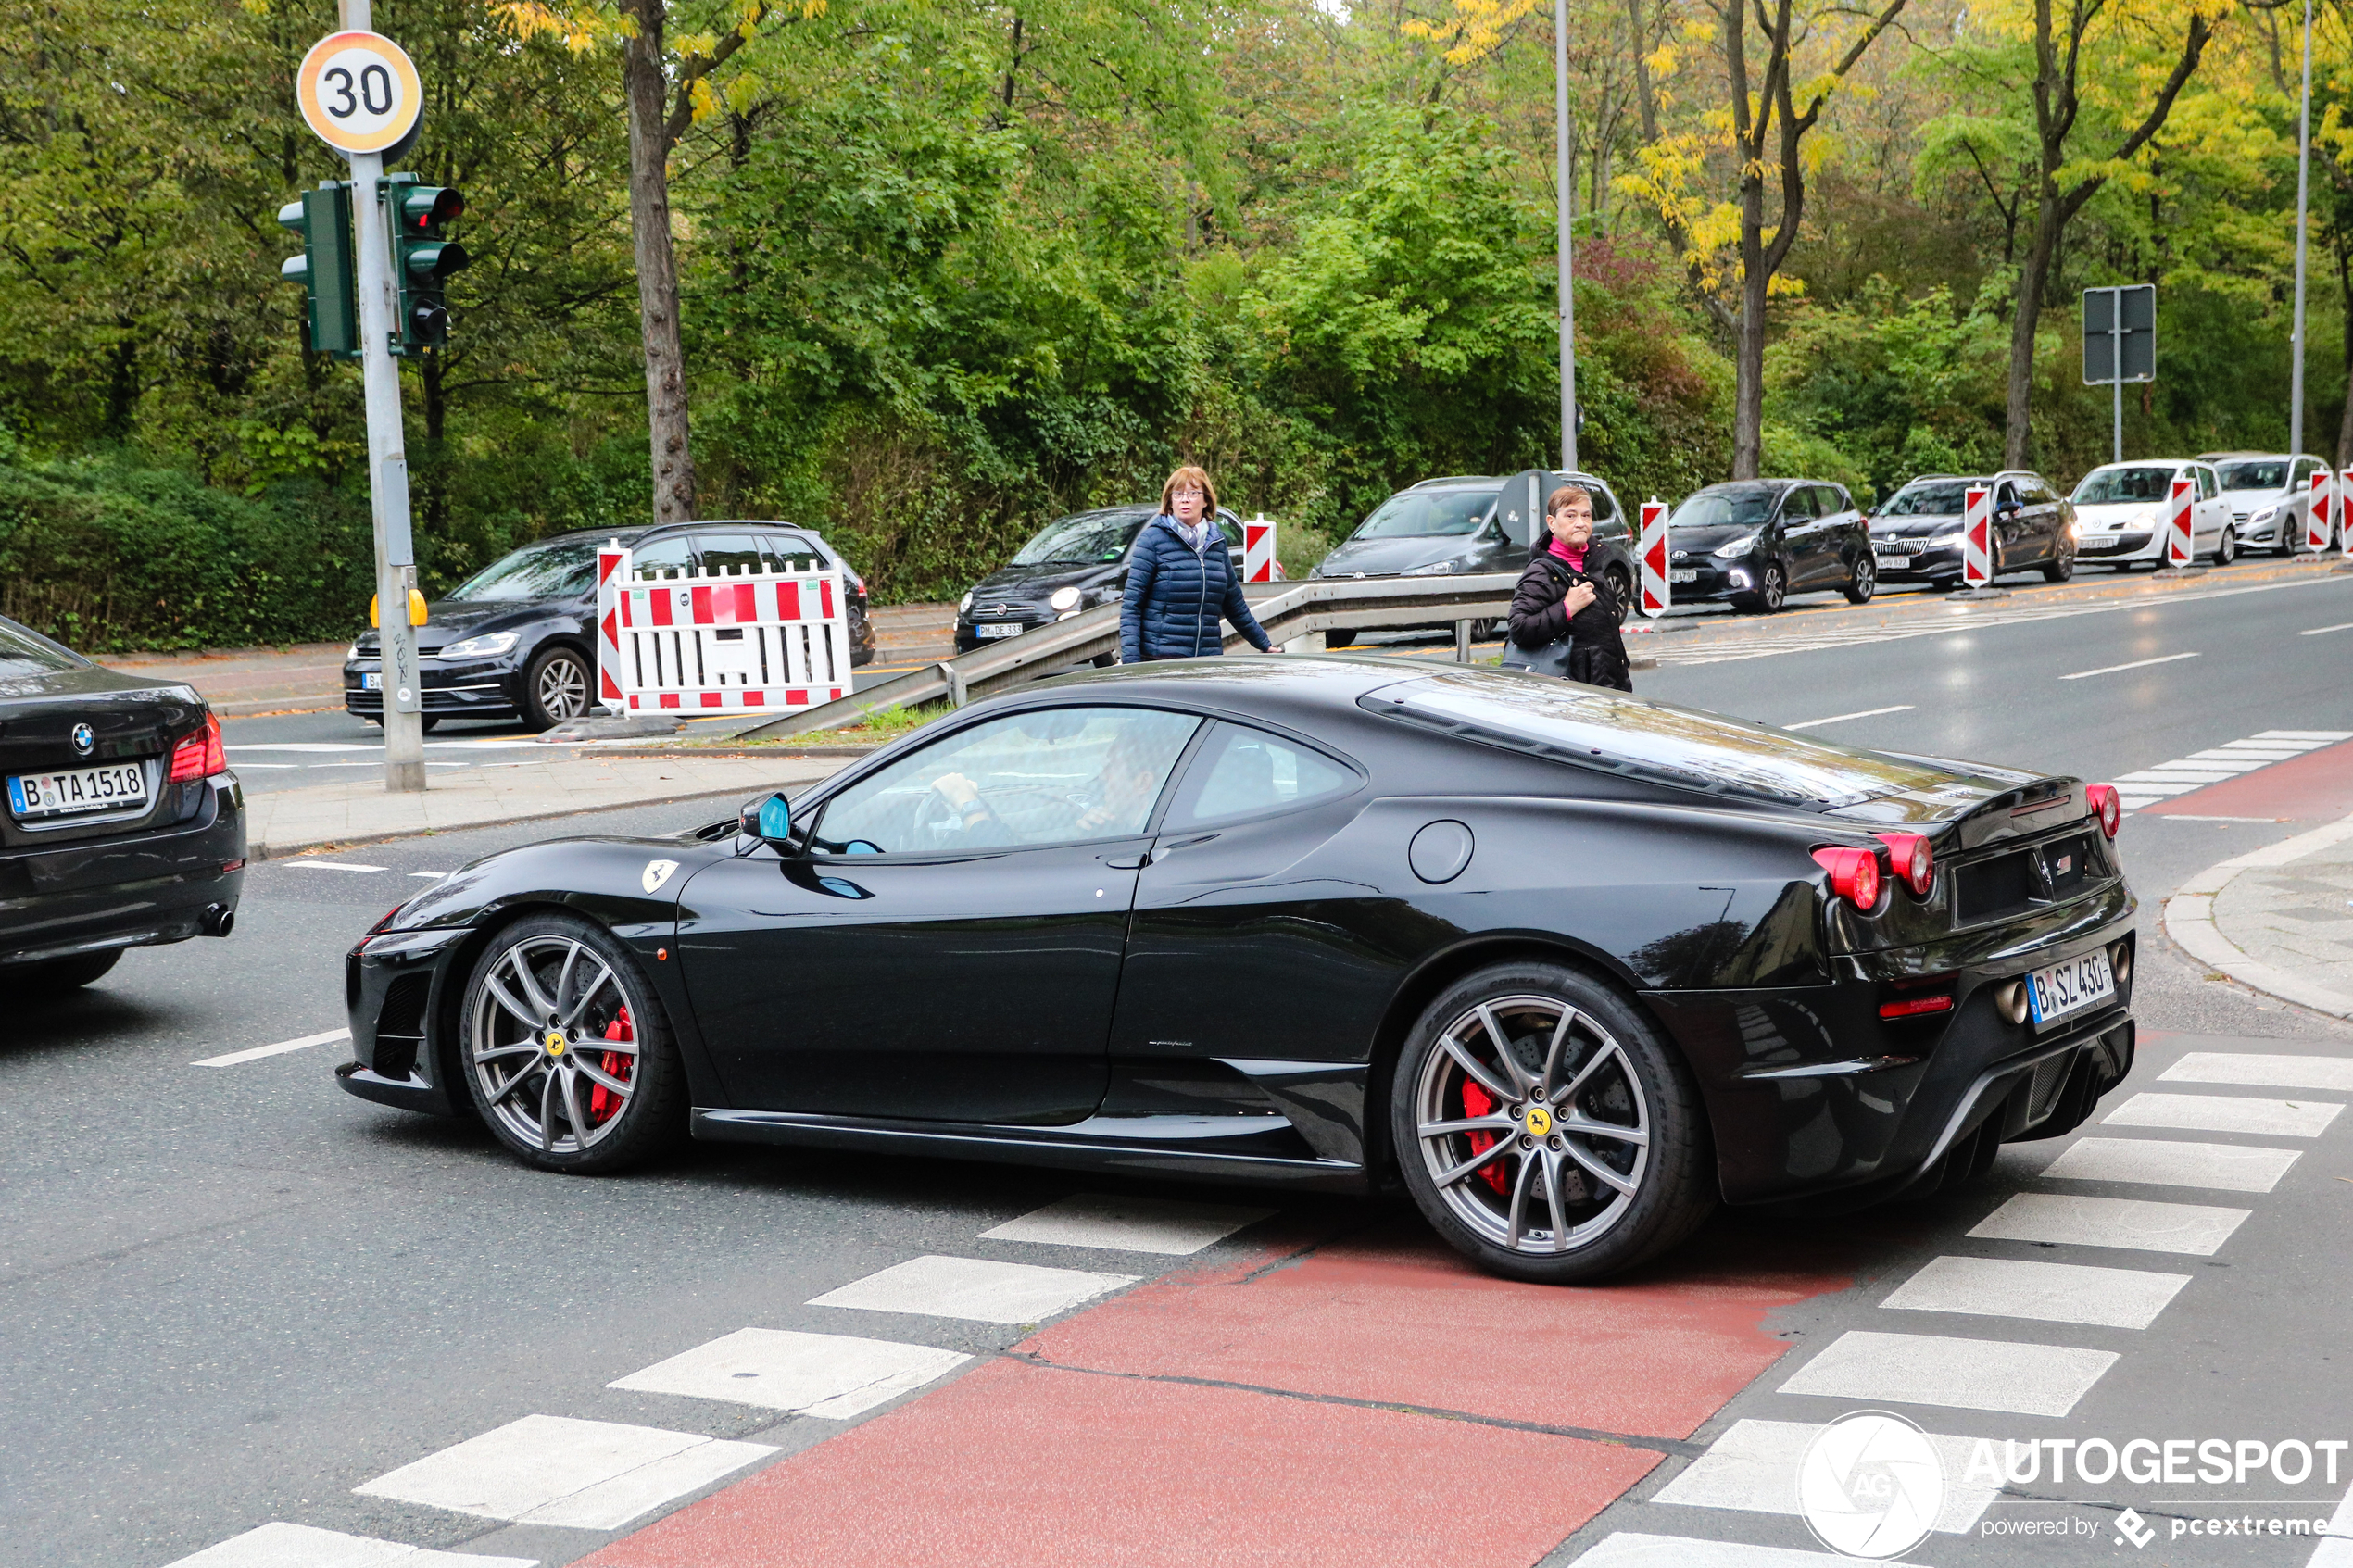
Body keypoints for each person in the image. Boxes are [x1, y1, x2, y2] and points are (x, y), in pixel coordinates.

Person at [1120, 466, 1276, 663]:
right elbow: (1131, 606)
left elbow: (1234, 604)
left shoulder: (1216, 542)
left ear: (1206, 501)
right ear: (1169, 501)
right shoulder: (1152, 540)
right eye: (1178, 494)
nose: (1184, 499)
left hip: (1206, 660)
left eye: (1193, 493)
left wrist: (1264, 644)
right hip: (1162, 659)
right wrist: (1131, 663)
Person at [1505, 484, 1632, 691]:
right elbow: (1519, 628)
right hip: (1571, 695)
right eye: (1571, 516)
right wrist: (1566, 608)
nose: (1580, 523)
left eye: (1586, 515)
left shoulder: (1595, 564)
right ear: (1552, 523)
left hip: (1608, 689)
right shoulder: (1542, 572)